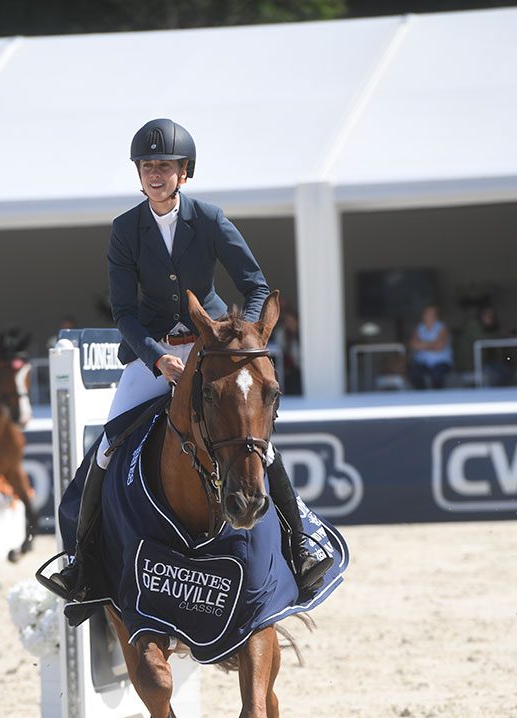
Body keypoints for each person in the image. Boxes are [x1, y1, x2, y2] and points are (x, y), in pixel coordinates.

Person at [58, 117, 333, 603]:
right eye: (147, 166)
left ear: (184, 171)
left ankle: (300, 543)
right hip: (153, 353)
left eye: (164, 165)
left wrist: (235, 338)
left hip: (213, 351)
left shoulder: (208, 218)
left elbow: (256, 288)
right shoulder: (125, 230)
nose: (155, 173)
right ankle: (80, 560)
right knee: (108, 444)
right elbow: (123, 311)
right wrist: (158, 358)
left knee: (255, 442)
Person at [408, 303, 453, 390]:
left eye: (431, 314)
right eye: (426, 314)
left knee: (437, 376)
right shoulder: (419, 328)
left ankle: (438, 399)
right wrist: (432, 344)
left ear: (436, 316)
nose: (428, 316)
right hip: (423, 362)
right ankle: (422, 398)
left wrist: (422, 344)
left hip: (441, 362)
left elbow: (440, 346)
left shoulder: (442, 328)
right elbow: (413, 345)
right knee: (415, 375)